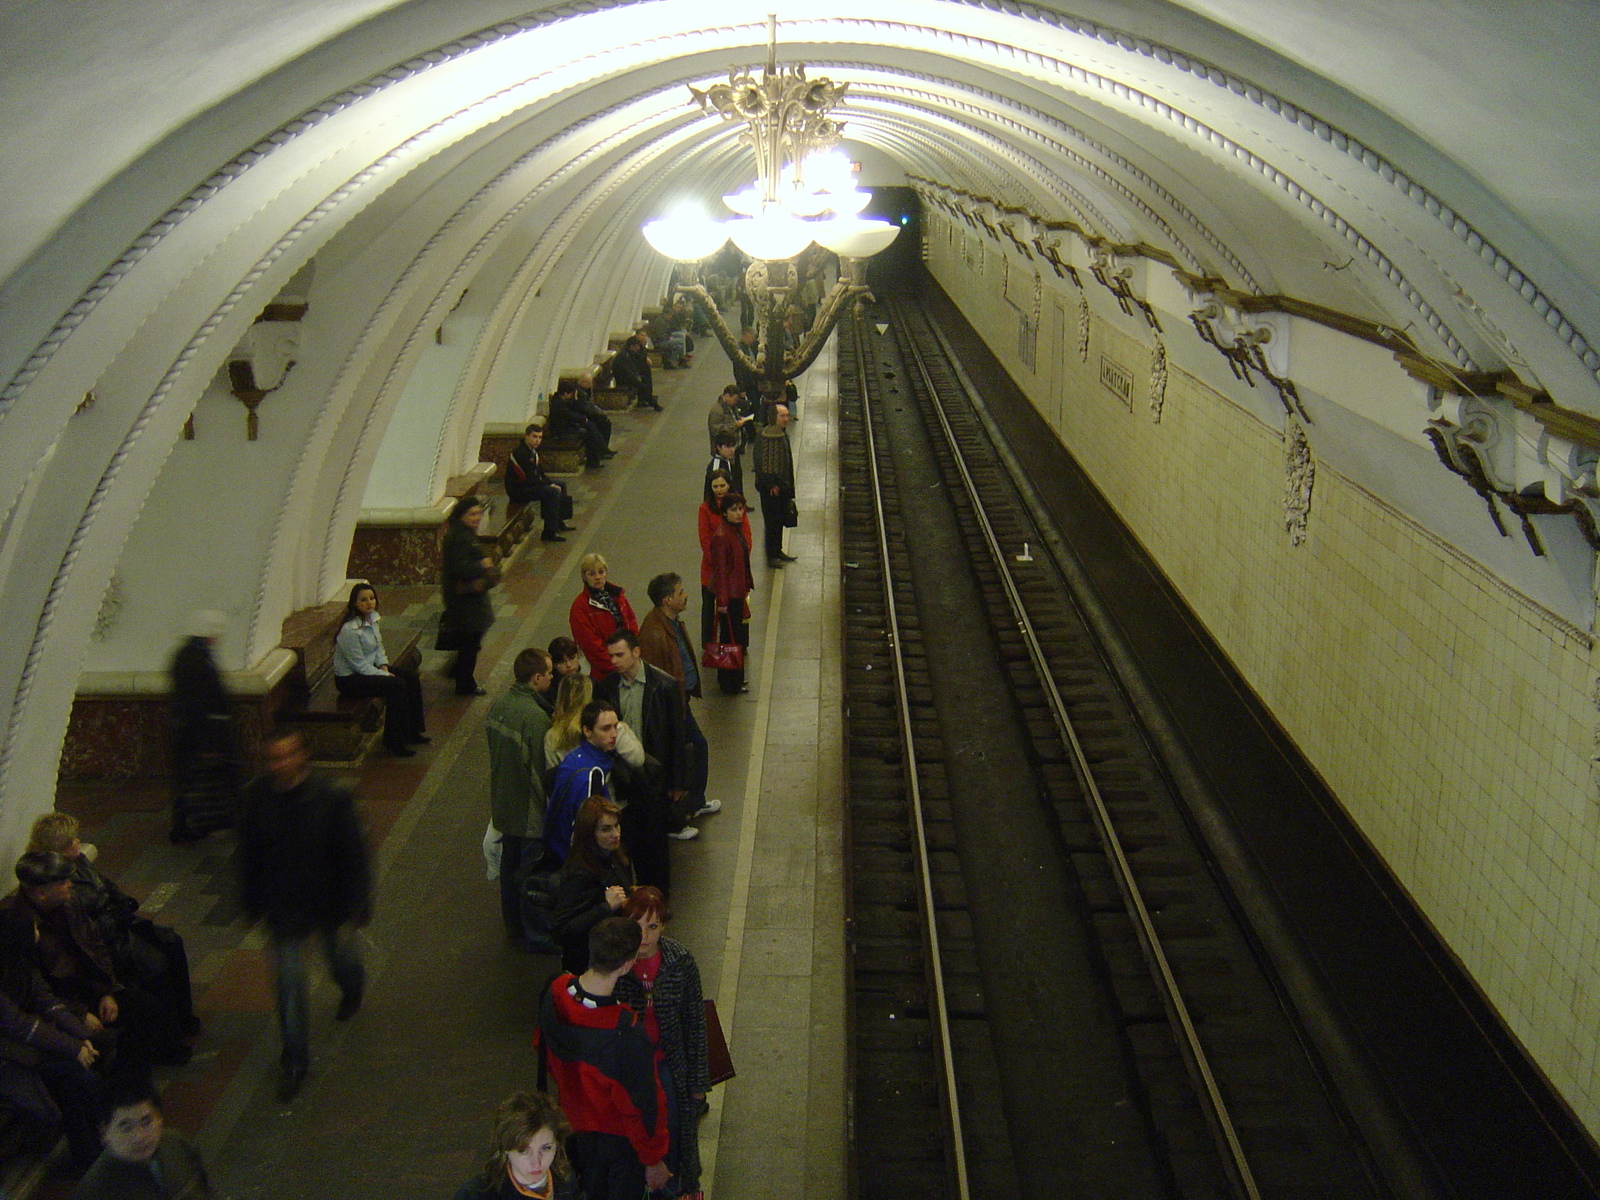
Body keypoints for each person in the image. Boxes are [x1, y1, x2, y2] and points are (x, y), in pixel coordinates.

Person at [237, 731, 371, 1101]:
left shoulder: (332, 797)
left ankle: (351, 986)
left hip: (328, 903)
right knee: (290, 985)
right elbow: (248, 855)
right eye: (273, 758)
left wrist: (359, 902)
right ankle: (295, 1060)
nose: (279, 765)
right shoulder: (257, 797)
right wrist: (251, 903)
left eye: (287, 756)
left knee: (339, 957)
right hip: (284, 909)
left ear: (304, 755)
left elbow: (354, 853)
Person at [2, 853, 189, 1068]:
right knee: (116, 1039)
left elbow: (95, 946)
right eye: (62, 882)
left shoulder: (68, 902)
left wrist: (107, 992)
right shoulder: (20, 928)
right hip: (65, 1003)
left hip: (89, 988)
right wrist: (80, 1014)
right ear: (41, 893)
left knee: (150, 1006)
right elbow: (38, 988)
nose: (70, 884)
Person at [27, 813, 197, 1046]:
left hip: (117, 922)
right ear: (55, 850)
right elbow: (88, 930)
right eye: (70, 842)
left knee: (173, 942)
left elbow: (104, 883)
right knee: (157, 965)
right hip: (111, 937)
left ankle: (184, 1016)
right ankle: (170, 1035)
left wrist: (123, 902)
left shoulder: (77, 862)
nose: (77, 843)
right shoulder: (59, 882)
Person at [537, 917, 670, 1200]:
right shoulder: (625, 1031)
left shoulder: (555, 990)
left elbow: (542, 1048)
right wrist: (653, 1159)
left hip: (571, 1130)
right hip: (618, 1144)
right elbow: (643, 1105)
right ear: (626, 965)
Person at [614, 887, 708, 1200]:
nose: (644, 935)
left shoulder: (680, 962)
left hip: (670, 1065)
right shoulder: (614, 963)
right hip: (630, 1073)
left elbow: (695, 1023)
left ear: (663, 926)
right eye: (637, 925)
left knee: (675, 1135)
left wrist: (697, 1082)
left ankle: (674, 1189)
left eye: (652, 927)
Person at [0, 908, 103, 1170]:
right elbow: (19, 1024)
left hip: (22, 1046)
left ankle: (91, 1154)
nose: (37, 932)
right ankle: (99, 1145)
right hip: (9, 1057)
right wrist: (73, 1046)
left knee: (72, 1080)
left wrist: (82, 1036)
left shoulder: (18, 961)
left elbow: (46, 1001)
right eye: (33, 929)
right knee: (76, 1075)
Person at [596, 631, 689, 890]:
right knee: (625, 843)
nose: (614, 661)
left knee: (655, 845)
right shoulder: (608, 686)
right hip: (623, 779)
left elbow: (676, 736)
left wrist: (677, 781)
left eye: (620, 655)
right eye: (611, 655)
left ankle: (656, 897)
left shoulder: (664, 685)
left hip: (653, 778)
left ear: (636, 652)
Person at [639, 573, 717, 828]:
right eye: (680, 592)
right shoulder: (654, 633)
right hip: (671, 709)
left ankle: (694, 802)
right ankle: (677, 817)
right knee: (684, 755)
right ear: (667, 599)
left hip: (680, 702)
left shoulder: (670, 621)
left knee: (693, 751)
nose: (686, 595)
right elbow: (656, 681)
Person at [486, 648, 554, 940]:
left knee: (509, 868)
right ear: (537, 678)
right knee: (531, 875)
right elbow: (541, 771)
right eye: (549, 673)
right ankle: (536, 935)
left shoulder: (499, 704)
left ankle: (513, 925)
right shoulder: (536, 718)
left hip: (504, 803)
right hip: (529, 812)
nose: (552, 677)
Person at [70, 1075, 212, 1200]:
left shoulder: (175, 1143)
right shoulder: (94, 1191)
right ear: (104, 1133)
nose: (140, 1137)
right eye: (126, 1128)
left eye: (146, 1122)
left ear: (159, 1118)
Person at [332, 582, 428, 756]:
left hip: (370, 668)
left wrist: (383, 665)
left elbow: (378, 648)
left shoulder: (372, 618)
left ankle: (413, 731)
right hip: (350, 679)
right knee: (396, 685)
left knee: (410, 677)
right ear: (355, 603)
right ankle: (394, 742)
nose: (369, 603)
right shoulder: (350, 630)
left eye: (372, 598)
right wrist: (383, 674)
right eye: (363, 600)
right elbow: (358, 665)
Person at [166, 611, 237, 843]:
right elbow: (199, 704)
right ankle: (190, 826)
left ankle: (194, 824)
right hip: (198, 736)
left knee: (193, 782)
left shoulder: (186, 655)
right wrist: (210, 742)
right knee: (198, 783)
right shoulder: (195, 660)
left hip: (191, 734)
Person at [551, 797, 635, 974]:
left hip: (612, 953)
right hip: (589, 966)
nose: (616, 834)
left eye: (617, 825)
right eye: (606, 829)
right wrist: (605, 907)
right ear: (590, 833)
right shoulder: (579, 874)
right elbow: (562, 931)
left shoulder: (612, 853)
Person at [454, 1091, 580, 1200]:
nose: (536, 1163)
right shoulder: (475, 1195)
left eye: (546, 1148)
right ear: (505, 1147)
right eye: (523, 1151)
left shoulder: (566, 1181)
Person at [545, 700, 620, 865]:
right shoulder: (591, 776)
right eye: (606, 728)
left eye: (616, 726)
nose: (614, 734)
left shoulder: (574, 758)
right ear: (587, 731)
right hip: (580, 860)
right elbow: (586, 830)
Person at [440, 495, 498, 696]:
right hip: (464, 600)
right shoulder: (458, 537)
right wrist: (482, 565)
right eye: (472, 514)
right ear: (461, 515)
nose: (477, 517)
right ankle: (465, 684)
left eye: (479, 513)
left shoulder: (465, 534)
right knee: (470, 642)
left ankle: (458, 672)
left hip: (470, 599)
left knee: (471, 639)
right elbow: (458, 568)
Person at [706, 493, 754, 695]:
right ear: (724, 512)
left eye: (740, 509)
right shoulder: (722, 536)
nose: (738, 513)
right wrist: (722, 600)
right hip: (730, 596)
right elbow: (721, 572)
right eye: (733, 509)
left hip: (738, 592)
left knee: (734, 639)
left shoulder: (734, 531)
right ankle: (729, 682)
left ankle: (733, 679)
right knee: (730, 640)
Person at [697, 471, 751, 648]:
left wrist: (740, 559)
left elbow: (747, 537)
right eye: (715, 486)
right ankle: (709, 643)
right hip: (712, 569)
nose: (719, 490)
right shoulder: (705, 509)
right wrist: (721, 560)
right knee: (709, 607)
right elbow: (705, 539)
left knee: (738, 612)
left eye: (722, 485)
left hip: (734, 571)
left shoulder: (736, 505)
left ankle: (739, 645)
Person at [568, 554, 639, 680]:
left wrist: (631, 654)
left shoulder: (618, 596)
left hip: (627, 663)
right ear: (584, 577)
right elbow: (590, 645)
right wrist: (616, 663)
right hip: (604, 673)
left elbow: (631, 622)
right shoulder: (580, 607)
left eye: (601, 572)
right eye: (592, 574)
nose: (598, 577)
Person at [505, 420, 575, 544]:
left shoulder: (532, 451)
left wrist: (549, 482)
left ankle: (559, 522)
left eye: (540, 437)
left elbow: (540, 473)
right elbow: (530, 478)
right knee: (552, 492)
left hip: (529, 485)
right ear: (526, 436)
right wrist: (548, 485)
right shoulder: (520, 453)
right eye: (534, 437)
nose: (537, 440)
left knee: (561, 484)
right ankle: (549, 532)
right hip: (519, 489)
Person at [752, 401, 798, 568]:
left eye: (787, 415)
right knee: (772, 522)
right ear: (773, 417)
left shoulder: (780, 433)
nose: (786, 419)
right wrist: (772, 484)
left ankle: (777, 550)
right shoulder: (767, 435)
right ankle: (771, 555)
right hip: (771, 489)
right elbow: (762, 462)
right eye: (782, 416)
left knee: (779, 520)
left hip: (782, 487)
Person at [611, 332, 661, 412]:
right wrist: (636, 377)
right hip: (623, 378)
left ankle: (646, 398)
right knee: (640, 384)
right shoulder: (623, 356)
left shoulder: (630, 353)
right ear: (632, 346)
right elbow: (626, 372)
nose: (638, 348)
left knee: (646, 374)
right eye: (637, 346)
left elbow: (638, 361)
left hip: (628, 375)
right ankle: (652, 402)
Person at [572, 371, 616, 455]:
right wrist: (600, 413)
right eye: (589, 382)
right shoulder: (580, 393)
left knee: (604, 422)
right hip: (583, 417)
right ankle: (602, 450)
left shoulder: (584, 390)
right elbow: (587, 408)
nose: (591, 384)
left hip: (586, 415)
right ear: (583, 382)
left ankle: (603, 449)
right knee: (603, 424)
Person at [703, 428, 743, 504]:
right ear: (719, 447)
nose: (732, 450)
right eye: (728, 447)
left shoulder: (727, 462)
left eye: (733, 446)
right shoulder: (716, 467)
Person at [543, 636, 583, 708]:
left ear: (578, 655)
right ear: (554, 664)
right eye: (562, 662)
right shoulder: (550, 692)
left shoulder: (590, 682)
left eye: (572, 658)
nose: (568, 665)